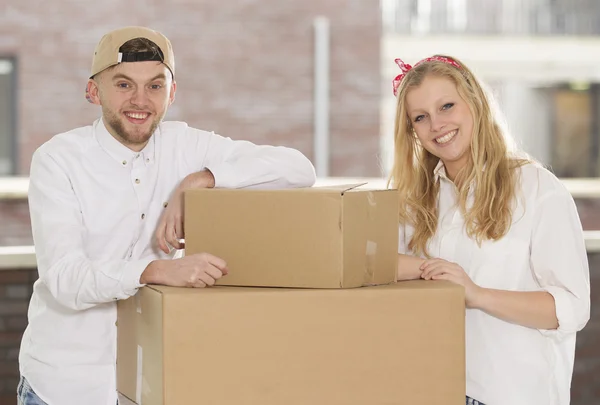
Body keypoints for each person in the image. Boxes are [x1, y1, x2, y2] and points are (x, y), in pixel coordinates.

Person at [17, 26, 316, 405]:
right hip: (63, 387)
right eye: (124, 84)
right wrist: (156, 270)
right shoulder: (57, 159)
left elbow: (299, 169)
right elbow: (64, 279)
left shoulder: (187, 146)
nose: (140, 99)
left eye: (155, 86)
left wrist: (202, 179)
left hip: (150, 382)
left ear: (172, 93)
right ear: (93, 91)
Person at [389, 55, 590, 405]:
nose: (436, 124)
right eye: (421, 117)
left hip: (510, 395)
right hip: (433, 389)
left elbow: (571, 307)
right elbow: (381, 270)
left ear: (475, 103)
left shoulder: (538, 189)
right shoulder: (414, 201)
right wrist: (423, 270)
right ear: (413, 132)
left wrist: (477, 293)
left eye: (447, 106)